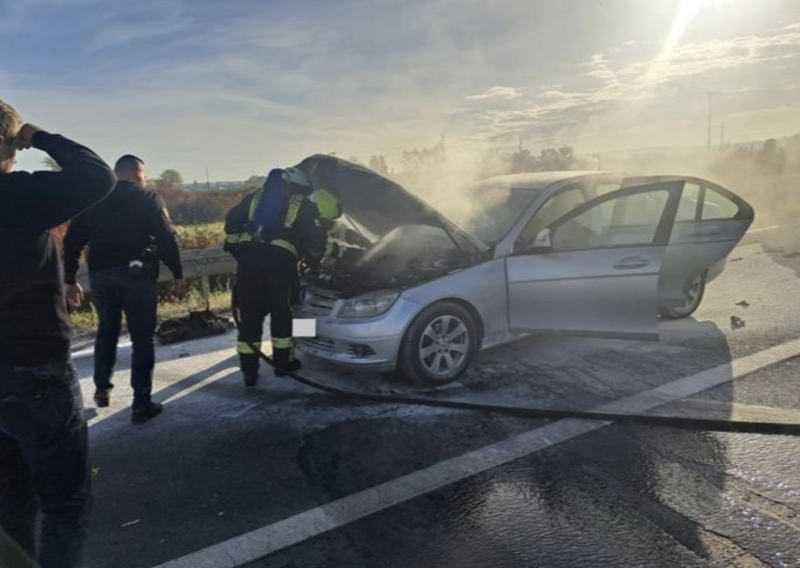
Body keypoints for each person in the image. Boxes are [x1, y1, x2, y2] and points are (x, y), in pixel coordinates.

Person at [0, 98, 116, 568]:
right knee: (65, 505)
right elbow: (96, 176)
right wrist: (38, 136)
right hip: (33, 369)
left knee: (11, 504)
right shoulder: (15, 196)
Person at [63, 155, 187, 424]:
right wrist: (177, 273)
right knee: (142, 337)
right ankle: (141, 403)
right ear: (137, 173)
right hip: (137, 275)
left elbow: (72, 243)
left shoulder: (93, 198)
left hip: (101, 275)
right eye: (144, 174)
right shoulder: (148, 199)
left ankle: (101, 388)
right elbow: (166, 237)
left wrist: (70, 279)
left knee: (107, 329)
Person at [224, 167, 341, 386]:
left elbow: (232, 219)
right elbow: (315, 243)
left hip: (248, 260)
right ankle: (283, 364)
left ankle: (249, 370)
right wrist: (322, 255)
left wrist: (235, 247)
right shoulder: (303, 203)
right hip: (279, 262)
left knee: (249, 314)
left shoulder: (256, 197)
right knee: (283, 313)